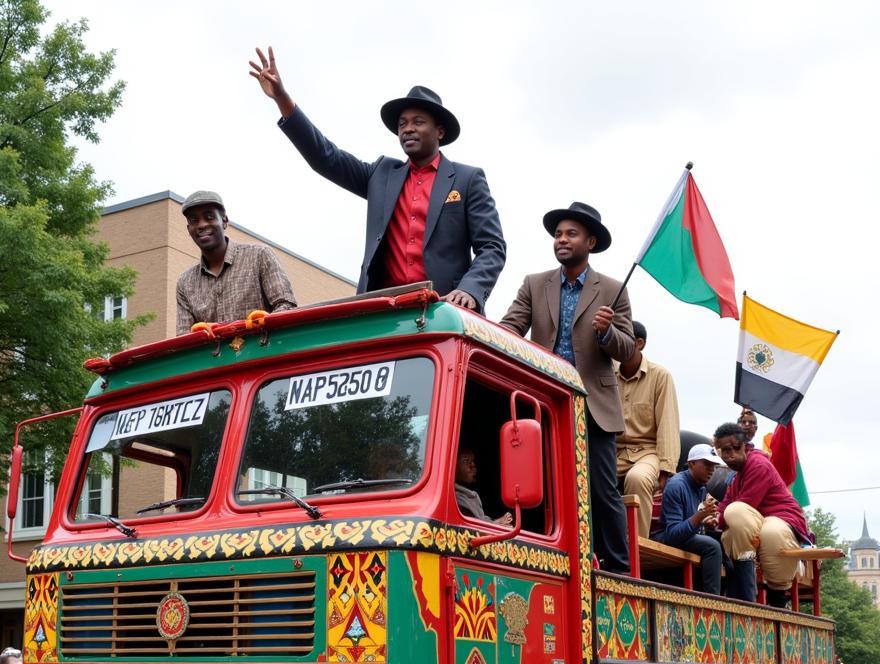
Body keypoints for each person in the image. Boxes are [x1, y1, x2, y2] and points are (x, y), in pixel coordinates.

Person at [251, 48, 506, 312]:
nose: (407, 128)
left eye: (418, 122)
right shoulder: (381, 174)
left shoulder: (467, 179)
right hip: (385, 313)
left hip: (443, 311)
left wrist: (469, 289)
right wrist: (282, 99)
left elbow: (492, 247)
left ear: (439, 131)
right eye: (402, 124)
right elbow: (327, 157)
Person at [499, 202, 636, 573]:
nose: (561, 240)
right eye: (558, 234)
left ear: (590, 242)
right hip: (543, 401)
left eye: (570, 233)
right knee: (536, 481)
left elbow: (626, 352)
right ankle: (537, 557)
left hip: (594, 404)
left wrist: (608, 331)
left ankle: (618, 571)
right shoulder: (534, 283)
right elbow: (511, 326)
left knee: (602, 490)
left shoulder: (611, 289)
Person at [713, 421, 814, 606]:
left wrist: (719, 518)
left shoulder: (758, 465)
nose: (730, 455)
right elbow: (726, 503)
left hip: (783, 519)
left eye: (735, 448)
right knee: (729, 531)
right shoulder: (736, 476)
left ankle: (777, 595)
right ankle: (743, 595)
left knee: (763, 528)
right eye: (725, 451)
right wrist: (714, 517)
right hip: (758, 524)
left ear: (745, 446)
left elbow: (745, 504)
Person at [175, 190, 297, 334]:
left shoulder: (259, 255)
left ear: (224, 221)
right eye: (194, 220)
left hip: (262, 353)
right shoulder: (185, 283)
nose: (201, 225)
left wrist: (259, 324)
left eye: (209, 216)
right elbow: (184, 337)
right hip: (213, 356)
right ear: (189, 229)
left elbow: (286, 306)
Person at [615, 322, 680, 537]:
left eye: (622, 339)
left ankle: (635, 551)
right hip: (611, 452)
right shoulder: (605, 372)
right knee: (583, 477)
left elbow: (667, 424)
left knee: (638, 478)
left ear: (639, 344)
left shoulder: (660, 376)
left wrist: (666, 469)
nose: (616, 343)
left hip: (647, 452)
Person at [653, 444, 729, 595]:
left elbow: (694, 523)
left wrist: (707, 521)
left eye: (714, 466)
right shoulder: (676, 485)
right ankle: (712, 603)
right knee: (712, 547)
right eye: (707, 464)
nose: (712, 470)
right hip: (663, 537)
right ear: (691, 464)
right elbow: (673, 534)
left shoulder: (701, 487)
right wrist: (700, 516)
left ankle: (736, 600)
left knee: (726, 544)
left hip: (684, 536)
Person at [455, 446, 513, 525]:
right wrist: (496, 523)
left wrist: (495, 523)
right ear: (453, 467)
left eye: (473, 461)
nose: (472, 465)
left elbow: (481, 518)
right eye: (466, 461)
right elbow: (472, 525)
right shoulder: (454, 497)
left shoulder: (471, 495)